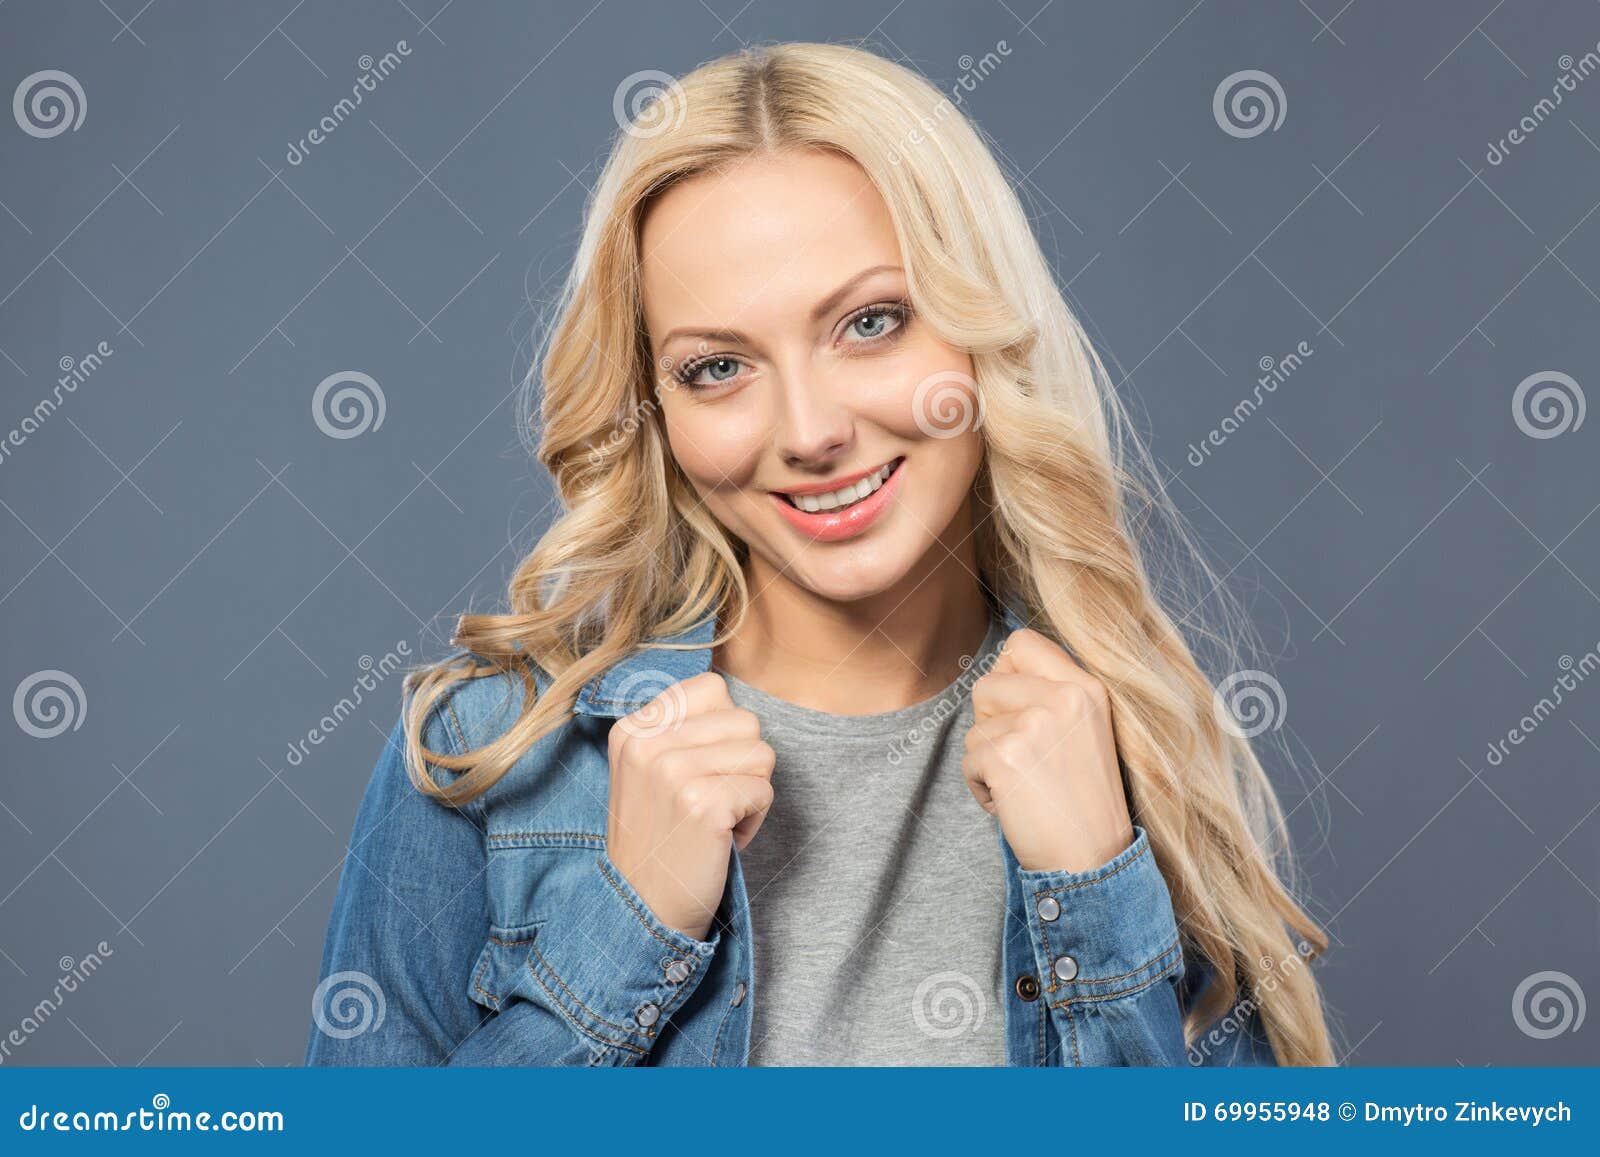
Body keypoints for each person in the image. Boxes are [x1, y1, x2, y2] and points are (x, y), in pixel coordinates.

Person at [306, 41, 1334, 1067]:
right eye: (716, 367)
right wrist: (623, 932)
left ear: (981, 333)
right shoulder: (488, 749)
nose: (807, 429)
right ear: (654, 414)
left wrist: (1093, 885)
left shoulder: (1126, 744)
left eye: (870, 322)